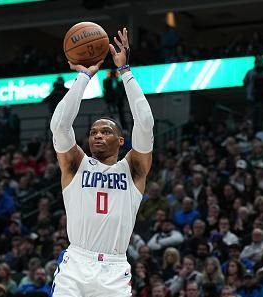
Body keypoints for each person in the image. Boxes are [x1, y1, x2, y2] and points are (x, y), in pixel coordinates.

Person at [50, 28, 154, 296]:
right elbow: (60, 125)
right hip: (75, 264)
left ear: (121, 141)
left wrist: (125, 71)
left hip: (114, 268)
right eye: (93, 132)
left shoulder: (132, 169)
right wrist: (84, 76)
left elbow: (145, 122)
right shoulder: (76, 165)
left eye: (106, 131)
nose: (97, 135)